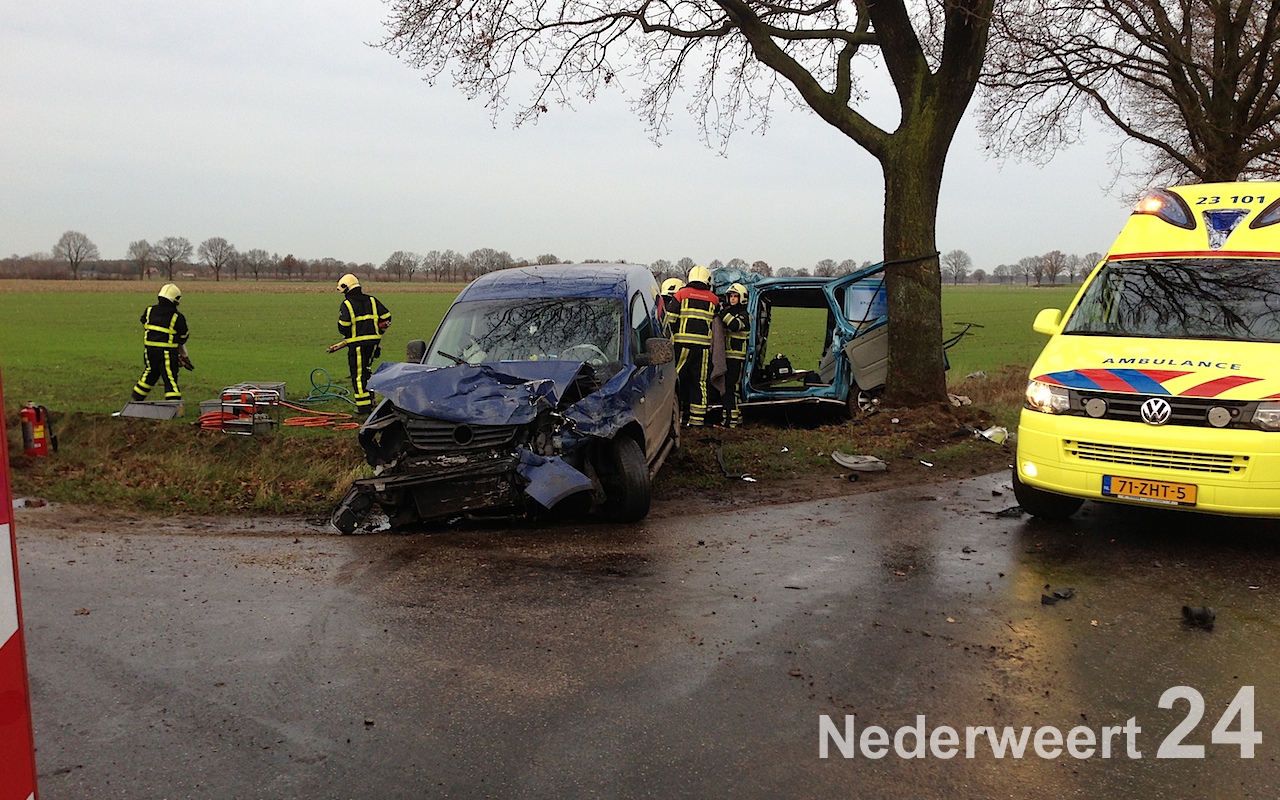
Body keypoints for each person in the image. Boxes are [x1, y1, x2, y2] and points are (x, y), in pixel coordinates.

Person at [332, 273, 392, 415]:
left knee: (358, 375)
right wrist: (379, 333)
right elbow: (387, 318)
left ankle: (363, 408)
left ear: (346, 288)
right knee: (366, 371)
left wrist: (347, 335)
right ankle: (371, 401)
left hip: (357, 345)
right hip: (373, 344)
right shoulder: (372, 300)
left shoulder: (347, 304)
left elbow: (344, 325)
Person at [672, 265, 719, 426]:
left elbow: (670, 319)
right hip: (703, 348)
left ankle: (674, 416)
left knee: (675, 379)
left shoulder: (681, 294)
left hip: (682, 346)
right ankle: (697, 420)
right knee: (700, 382)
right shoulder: (714, 299)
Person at [131, 283, 191, 402]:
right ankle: (174, 404)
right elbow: (183, 336)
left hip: (149, 351)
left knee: (150, 373)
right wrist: (183, 355)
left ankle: (136, 401)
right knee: (170, 377)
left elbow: (144, 322)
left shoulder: (149, 310)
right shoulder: (177, 317)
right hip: (167, 353)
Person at [719, 282, 750, 428]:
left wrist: (722, 312)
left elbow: (735, 325)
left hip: (737, 358)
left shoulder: (744, 315)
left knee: (732, 388)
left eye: (735, 296)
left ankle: (732, 421)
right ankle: (731, 419)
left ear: (742, 298)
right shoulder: (730, 313)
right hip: (728, 357)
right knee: (727, 389)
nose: (732, 299)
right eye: (730, 296)